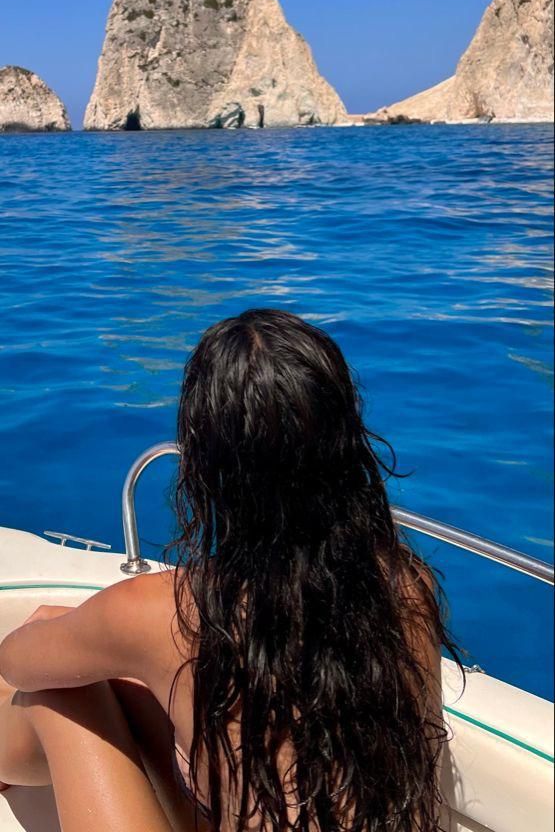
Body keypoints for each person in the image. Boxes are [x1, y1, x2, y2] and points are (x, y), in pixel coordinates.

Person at [0, 309, 459, 832]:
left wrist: (59, 628)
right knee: (138, 688)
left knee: (56, 697)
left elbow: (17, 663)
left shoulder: (169, 612)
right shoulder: (406, 587)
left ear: (203, 468)